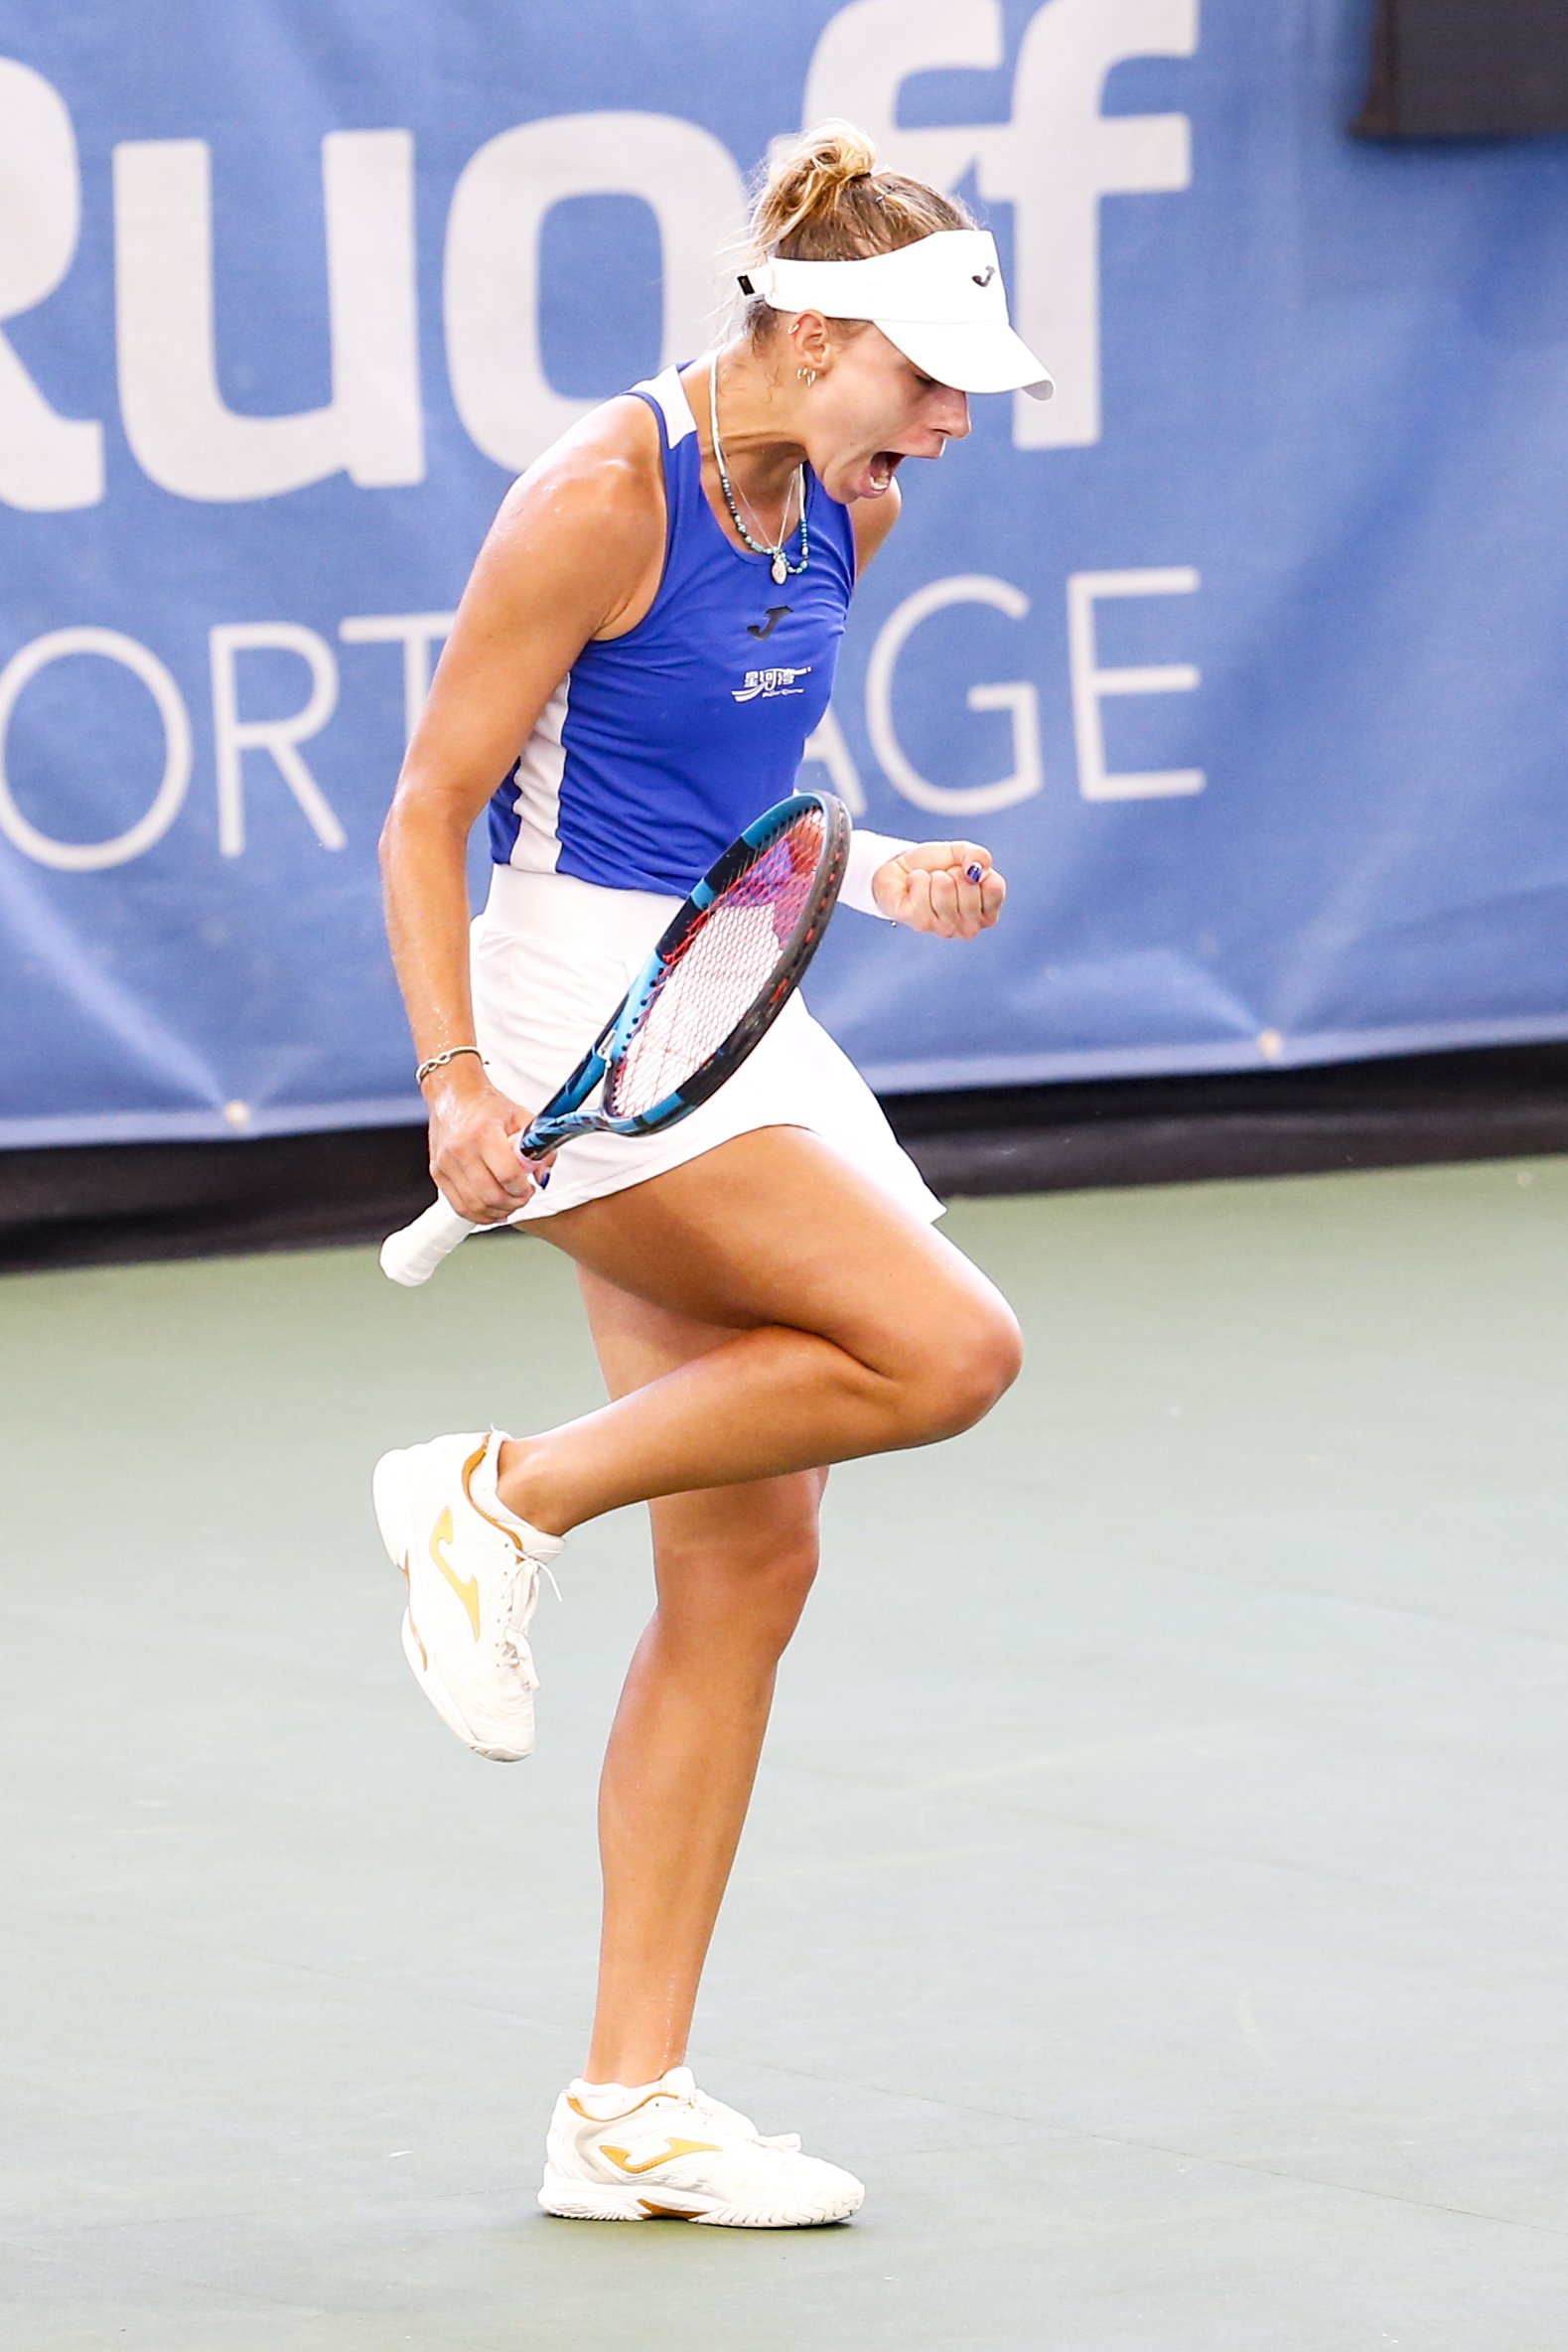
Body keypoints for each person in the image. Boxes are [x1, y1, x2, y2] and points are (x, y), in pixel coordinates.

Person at [373, 119, 1054, 2229]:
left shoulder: (844, 505)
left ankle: (625, 2102)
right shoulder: (596, 500)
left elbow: (727, 790)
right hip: (578, 1007)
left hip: (717, 987)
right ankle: (500, 1488)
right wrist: (454, 1076)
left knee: (753, 1565)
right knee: (948, 1346)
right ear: (819, 330)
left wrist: (867, 858)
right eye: (923, 382)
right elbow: (431, 805)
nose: (946, 425)